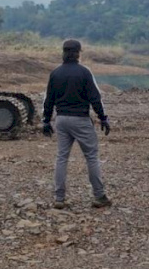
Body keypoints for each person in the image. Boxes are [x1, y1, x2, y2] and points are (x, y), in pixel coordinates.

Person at [41, 39, 112, 209]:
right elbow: (95, 98)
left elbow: (48, 99)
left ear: (63, 53)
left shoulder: (55, 73)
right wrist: (103, 117)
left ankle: (59, 198)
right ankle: (99, 196)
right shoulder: (84, 73)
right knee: (91, 157)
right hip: (80, 119)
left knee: (62, 157)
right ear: (79, 53)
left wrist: (46, 120)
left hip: (61, 120)